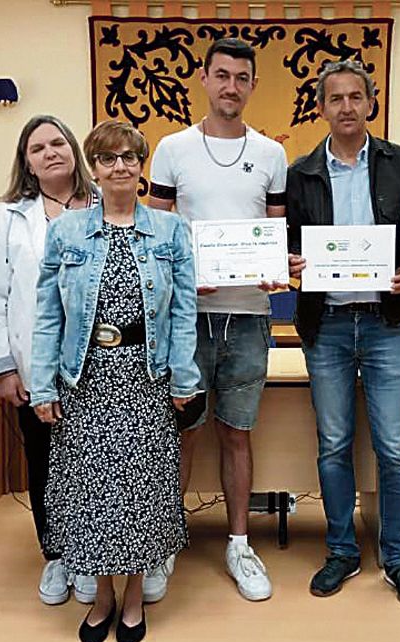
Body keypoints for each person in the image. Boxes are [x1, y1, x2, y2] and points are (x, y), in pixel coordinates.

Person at [31, 120, 199, 642]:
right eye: (108, 158)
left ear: (142, 165)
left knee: (140, 491)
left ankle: (132, 600)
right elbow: (47, 315)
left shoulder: (171, 232)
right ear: (94, 169)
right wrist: (43, 386)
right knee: (90, 496)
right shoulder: (66, 232)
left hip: (144, 377)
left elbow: (184, 312)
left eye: (130, 156)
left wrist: (185, 376)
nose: (120, 166)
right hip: (84, 378)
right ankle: (102, 595)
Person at [148, 37, 289, 601]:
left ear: (253, 85)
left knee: (237, 433)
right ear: (203, 79)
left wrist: (276, 267)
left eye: (242, 77)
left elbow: (275, 232)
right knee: (172, 434)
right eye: (221, 74)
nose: (231, 86)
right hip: (186, 320)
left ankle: (238, 542)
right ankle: (156, 541)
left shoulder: (272, 154)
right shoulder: (171, 149)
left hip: (249, 316)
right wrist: (184, 274)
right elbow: (152, 237)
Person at [285, 60, 400, 608]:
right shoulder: (301, 173)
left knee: (395, 448)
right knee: (334, 444)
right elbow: (287, 242)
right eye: (335, 98)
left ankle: (399, 558)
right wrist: (290, 261)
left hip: (386, 323)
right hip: (328, 326)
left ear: (371, 102)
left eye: (356, 97)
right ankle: (342, 550)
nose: (346, 107)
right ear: (321, 108)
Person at [0, 115, 99, 607]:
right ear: (25, 162)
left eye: (58, 142)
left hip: (101, 363)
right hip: (36, 365)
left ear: (74, 149)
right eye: (37, 148)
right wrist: (2, 366)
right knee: (44, 460)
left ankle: (95, 554)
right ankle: (57, 554)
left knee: (98, 463)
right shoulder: (10, 218)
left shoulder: (104, 205)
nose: (50, 152)